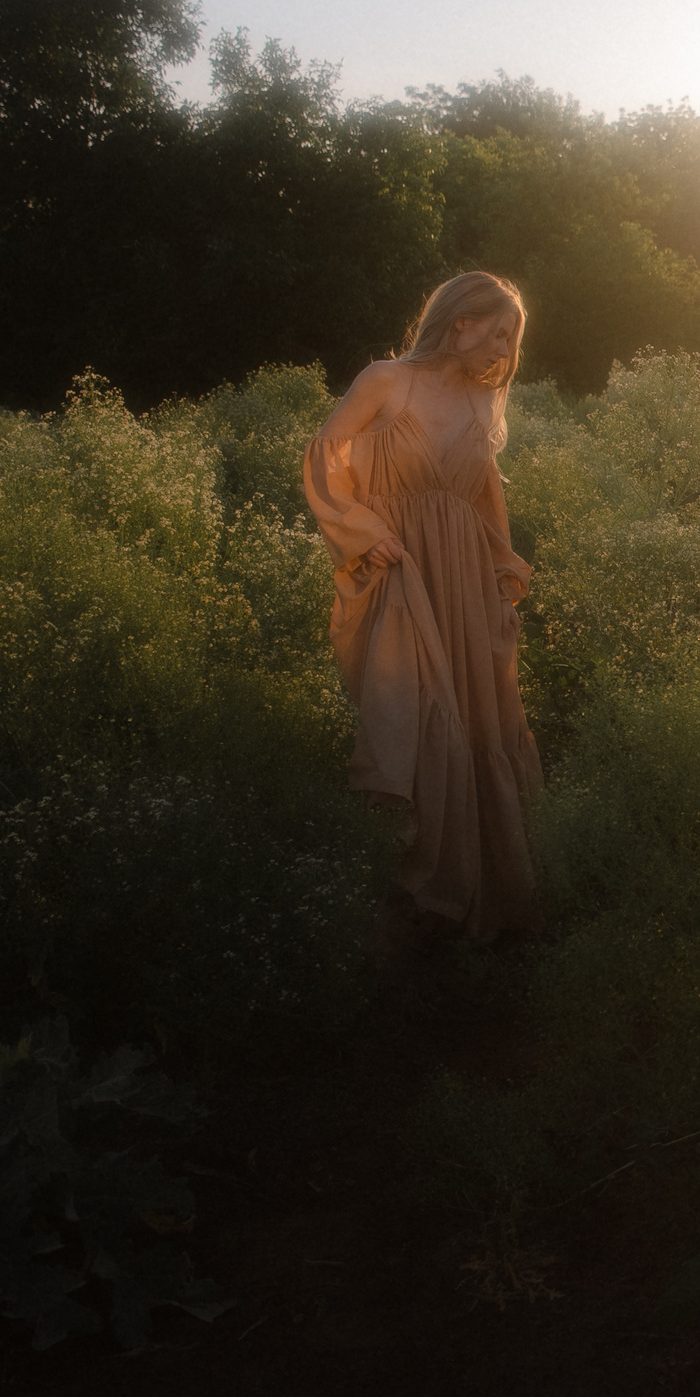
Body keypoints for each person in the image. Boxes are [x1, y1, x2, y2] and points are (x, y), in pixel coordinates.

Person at [304, 271, 543, 943]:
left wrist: (502, 575)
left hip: (464, 580)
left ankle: (478, 898)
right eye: (497, 330)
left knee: (479, 718)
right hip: (401, 572)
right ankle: (415, 887)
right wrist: (362, 530)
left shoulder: (479, 401)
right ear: (459, 322)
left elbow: (485, 496)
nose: (504, 346)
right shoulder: (387, 379)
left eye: (512, 336)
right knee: (413, 712)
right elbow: (328, 452)